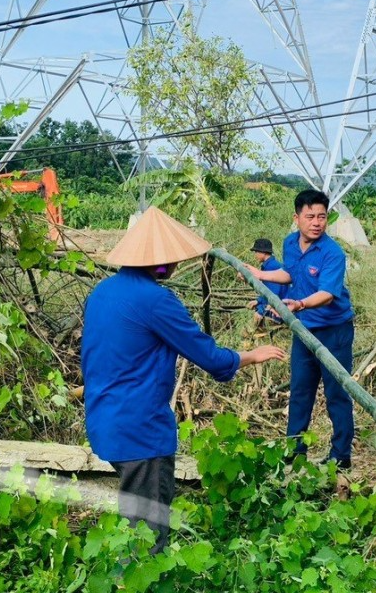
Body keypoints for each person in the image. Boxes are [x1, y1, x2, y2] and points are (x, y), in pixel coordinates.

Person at [82, 206, 285, 556]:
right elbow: (208, 356)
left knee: (135, 514)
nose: (176, 265)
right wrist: (251, 355)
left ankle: (125, 591)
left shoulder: (103, 291)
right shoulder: (156, 300)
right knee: (147, 529)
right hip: (140, 428)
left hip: (104, 417)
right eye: (173, 259)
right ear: (162, 262)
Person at [245, 190, 356, 469]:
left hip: (334, 331)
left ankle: (340, 457)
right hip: (304, 330)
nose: (317, 222)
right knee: (300, 391)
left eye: (322, 216)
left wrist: (300, 304)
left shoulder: (333, 253)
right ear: (297, 218)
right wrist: (260, 274)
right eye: (310, 217)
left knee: (337, 394)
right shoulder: (290, 243)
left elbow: (327, 294)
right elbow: (290, 274)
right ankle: (295, 452)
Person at [246, 237, 289, 327]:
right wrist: (258, 301)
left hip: (278, 310)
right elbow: (267, 290)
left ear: (263, 252)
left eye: (256, 252)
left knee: (248, 330)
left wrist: (261, 311)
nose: (255, 255)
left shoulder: (271, 267)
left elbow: (273, 294)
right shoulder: (270, 265)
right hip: (277, 306)